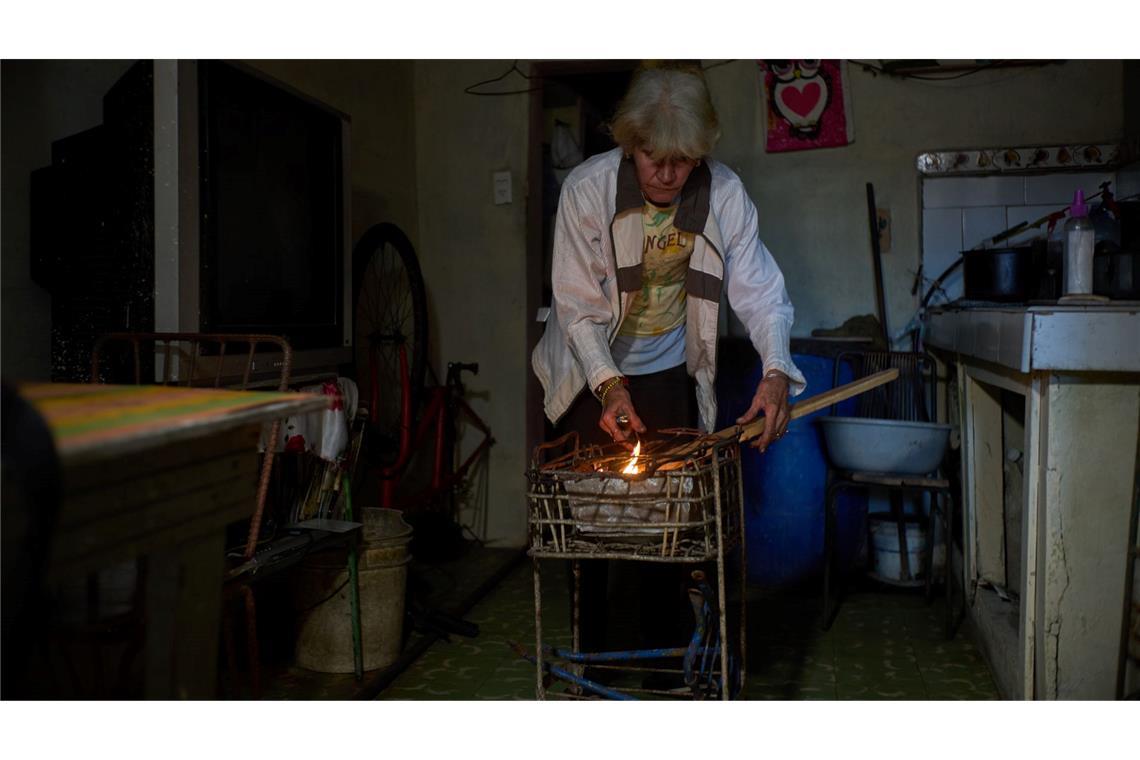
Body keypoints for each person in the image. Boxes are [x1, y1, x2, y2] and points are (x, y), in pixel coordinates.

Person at [530, 62, 807, 666]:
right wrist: (608, 388)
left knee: (670, 525)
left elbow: (761, 291)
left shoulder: (724, 194)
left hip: (666, 369)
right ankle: (596, 660)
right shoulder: (586, 192)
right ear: (630, 145)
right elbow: (577, 309)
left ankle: (662, 666)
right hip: (587, 371)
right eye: (653, 157)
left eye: (682, 160)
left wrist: (777, 371)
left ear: (700, 153)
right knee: (595, 525)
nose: (666, 173)